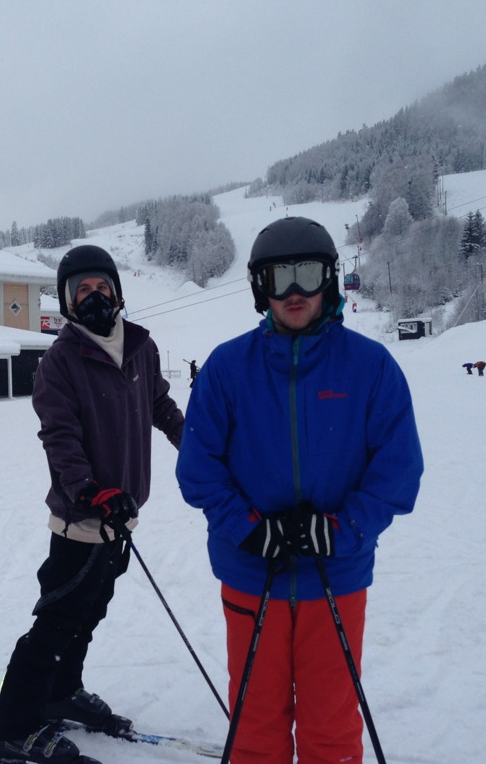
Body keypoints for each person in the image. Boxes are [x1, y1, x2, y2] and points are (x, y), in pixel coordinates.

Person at [176, 216, 423, 764]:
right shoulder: (226, 369)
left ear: (329, 279)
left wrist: (341, 529)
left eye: (307, 274)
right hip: (252, 575)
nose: (293, 291)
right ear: (259, 288)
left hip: (336, 576)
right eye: (278, 277)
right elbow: (198, 467)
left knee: (330, 727)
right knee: (255, 727)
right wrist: (248, 529)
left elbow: (399, 471)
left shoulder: (371, 368)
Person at [0, 244, 185, 764]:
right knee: (58, 621)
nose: (93, 296)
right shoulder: (61, 360)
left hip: (122, 515)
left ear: (117, 291)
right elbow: (59, 435)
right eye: (81, 290)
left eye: (101, 286)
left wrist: (195, 442)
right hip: (81, 519)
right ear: (66, 300)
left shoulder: (140, 346)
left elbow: (159, 404)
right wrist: (87, 490)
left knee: (90, 612)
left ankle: (61, 691)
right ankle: (14, 727)